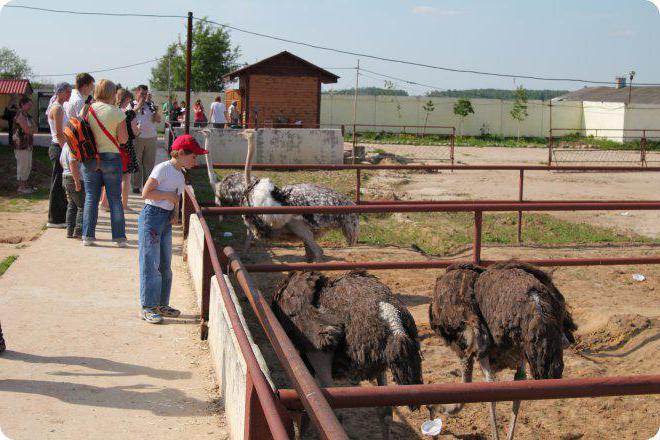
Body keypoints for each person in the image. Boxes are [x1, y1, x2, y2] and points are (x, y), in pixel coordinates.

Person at [138, 134, 208, 323]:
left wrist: (175, 211)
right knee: (150, 265)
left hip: (165, 219)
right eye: (194, 156)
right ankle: (148, 306)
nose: (196, 160)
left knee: (165, 266)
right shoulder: (163, 169)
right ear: (182, 154)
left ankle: (161, 304)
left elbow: (177, 195)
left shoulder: (180, 174)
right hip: (152, 217)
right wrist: (170, 200)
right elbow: (146, 193)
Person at [81, 79, 128, 247]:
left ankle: (87, 236)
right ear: (112, 93)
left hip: (90, 158)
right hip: (111, 157)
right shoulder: (117, 113)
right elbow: (123, 139)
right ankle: (119, 238)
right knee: (115, 198)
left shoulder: (87, 109)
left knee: (91, 198)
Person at [46, 82, 72, 228]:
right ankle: (54, 219)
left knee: (61, 184)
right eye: (68, 92)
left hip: (59, 147)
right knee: (57, 183)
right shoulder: (57, 108)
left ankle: (61, 216)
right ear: (60, 92)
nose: (69, 94)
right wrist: (66, 153)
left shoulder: (60, 107)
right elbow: (59, 133)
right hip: (58, 148)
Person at [132, 85, 161, 194]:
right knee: (137, 163)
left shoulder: (150, 104)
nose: (144, 96)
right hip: (138, 138)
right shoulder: (132, 104)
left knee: (149, 164)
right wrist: (138, 106)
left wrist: (155, 112)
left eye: (145, 94)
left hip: (151, 137)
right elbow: (128, 116)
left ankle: (147, 186)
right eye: (142, 94)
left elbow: (157, 120)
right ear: (137, 93)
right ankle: (135, 186)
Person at [116, 88, 140, 211]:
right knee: (126, 177)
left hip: (114, 147)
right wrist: (138, 128)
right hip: (127, 147)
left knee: (113, 177)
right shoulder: (129, 114)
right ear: (126, 99)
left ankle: (106, 203)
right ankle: (124, 204)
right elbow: (135, 132)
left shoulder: (113, 111)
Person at [60, 143, 85, 239]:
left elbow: (61, 161)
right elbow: (72, 162)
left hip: (66, 177)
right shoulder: (73, 146)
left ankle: (70, 230)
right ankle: (78, 231)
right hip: (73, 178)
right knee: (81, 206)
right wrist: (77, 181)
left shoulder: (65, 145)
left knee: (72, 205)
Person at [13, 96, 35, 194]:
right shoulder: (20, 114)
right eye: (28, 104)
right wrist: (31, 130)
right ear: (22, 104)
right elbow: (26, 129)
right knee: (22, 165)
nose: (30, 106)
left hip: (28, 144)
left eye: (31, 104)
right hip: (21, 144)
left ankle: (25, 186)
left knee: (27, 165)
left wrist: (31, 130)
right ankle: (21, 188)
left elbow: (36, 128)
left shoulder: (28, 116)